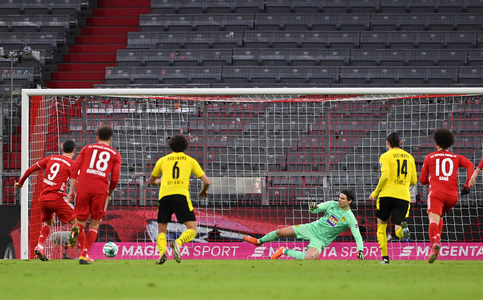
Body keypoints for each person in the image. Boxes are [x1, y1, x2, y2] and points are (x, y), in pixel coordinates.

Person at [244, 189, 366, 261]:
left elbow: (357, 236)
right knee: (280, 232)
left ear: (349, 201)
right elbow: (315, 210)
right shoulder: (331, 204)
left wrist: (360, 250)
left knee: (309, 257)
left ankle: (283, 251)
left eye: (343, 199)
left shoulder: (350, 219)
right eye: (339, 198)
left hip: (321, 240)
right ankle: (259, 241)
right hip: (311, 228)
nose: (339, 200)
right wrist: (313, 206)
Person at [148, 134, 210, 265]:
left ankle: (161, 253)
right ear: (186, 146)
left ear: (170, 146)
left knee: (161, 231)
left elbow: (151, 181)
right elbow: (207, 181)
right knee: (192, 230)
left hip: (164, 196)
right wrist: (203, 190)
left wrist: (159, 181)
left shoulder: (163, 160)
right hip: (181, 195)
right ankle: (178, 243)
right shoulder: (190, 160)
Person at [14, 139, 76, 261]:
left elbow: (30, 169)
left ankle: (40, 246)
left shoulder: (51, 158)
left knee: (49, 223)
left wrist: (20, 183)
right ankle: (79, 248)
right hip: (57, 198)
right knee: (78, 221)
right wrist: (73, 193)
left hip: (43, 199)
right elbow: (77, 181)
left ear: (62, 148)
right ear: (74, 150)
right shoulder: (72, 164)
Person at [67, 126, 122, 264]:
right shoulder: (115, 155)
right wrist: (109, 193)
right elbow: (115, 178)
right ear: (111, 138)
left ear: (96, 137)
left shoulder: (87, 148)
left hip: (83, 186)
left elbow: (75, 169)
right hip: (100, 188)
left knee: (80, 221)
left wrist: (72, 190)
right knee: (95, 223)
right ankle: (83, 255)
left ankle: (75, 230)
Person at [420, 128, 474, 263]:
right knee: (440, 216)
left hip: (437, 194)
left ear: (436, 143)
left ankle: (434, 244)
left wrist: (431, 180)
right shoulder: (457, 157)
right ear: (450, 144)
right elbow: (470, 165)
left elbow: (422, 180)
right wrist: (467, 184)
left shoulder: (429, 157)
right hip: (452, 196)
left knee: (433, 219)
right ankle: (437, 240)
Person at [369, 132, 417, 264]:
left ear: (387, 143)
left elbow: (385, 176)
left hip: (386, 195)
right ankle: (404, 230)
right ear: (400, 143)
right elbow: (414, 180)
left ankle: (385, 258)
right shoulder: (410, 157)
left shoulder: (385, 156)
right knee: (398, 228)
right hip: (403, 196)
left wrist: (375, 192)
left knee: (381, 226)